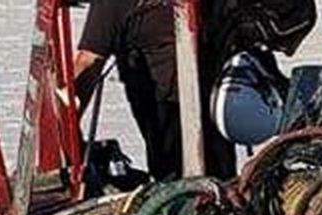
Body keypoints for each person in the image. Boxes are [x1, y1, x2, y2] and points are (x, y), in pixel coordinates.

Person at [73, 0, 235, 181]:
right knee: (220, 178)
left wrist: (67, 124)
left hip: (168, 113)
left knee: (174, 181)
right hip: (215, 104)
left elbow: (89, 61)